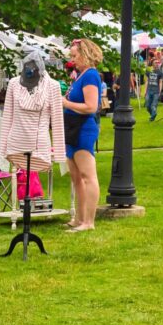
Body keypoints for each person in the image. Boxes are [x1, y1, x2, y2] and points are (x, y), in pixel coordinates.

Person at [62, 39, 104, 233]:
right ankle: (78, 218)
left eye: (75, 55)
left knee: (88, 176)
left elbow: (91, 107)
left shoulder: (91, 76)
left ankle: (89, 221)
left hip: (83, 129)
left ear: (85, 55)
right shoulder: (80, 76)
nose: (72, 60)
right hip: (71, 127)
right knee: (76, 177)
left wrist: (66, 103)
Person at [145, 57, 163, 122]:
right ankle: (153, 114)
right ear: (152, 63)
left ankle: (152, 117)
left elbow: (161, 82)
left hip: (156, 91)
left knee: (154, 105)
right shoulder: (149, 71)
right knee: (147, 105)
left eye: (157, 63)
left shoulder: (159, 72)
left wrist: (160, 90)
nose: (157, 64)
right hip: (149, 90)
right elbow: (147, 81)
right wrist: (145, 90)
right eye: (155, 62)